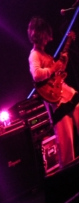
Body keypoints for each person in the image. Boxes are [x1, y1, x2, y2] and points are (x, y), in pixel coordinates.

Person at [28, 16, 78, 167]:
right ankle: (69, 176)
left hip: (66, 94)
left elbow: (56, 75)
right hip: (56, 100)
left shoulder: (45, 55)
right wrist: (53, 68)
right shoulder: (34, 55)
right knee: (66, 146)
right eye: (45, 36)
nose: (47, 40)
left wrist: (63, 63)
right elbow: (36, 75)